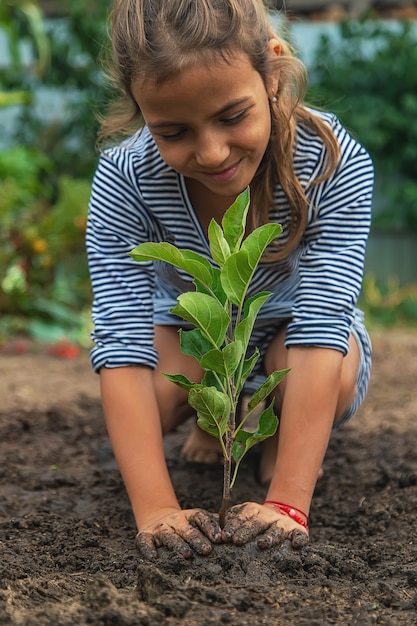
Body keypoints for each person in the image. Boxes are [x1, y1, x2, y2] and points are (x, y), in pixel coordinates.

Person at [86, 0, 373, 559]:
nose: (212, 152)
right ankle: (216, 417)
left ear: (272, 71)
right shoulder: (126, 179)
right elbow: (120, 342)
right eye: (172, 131)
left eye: (232, 116)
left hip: (294, 329)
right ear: (140, 110)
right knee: (154, 394)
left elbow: (321, 327)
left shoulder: (329, 162)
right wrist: (157, 510)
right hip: (194, 326)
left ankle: (269, 428)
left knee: (322, 379)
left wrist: (287, 503)